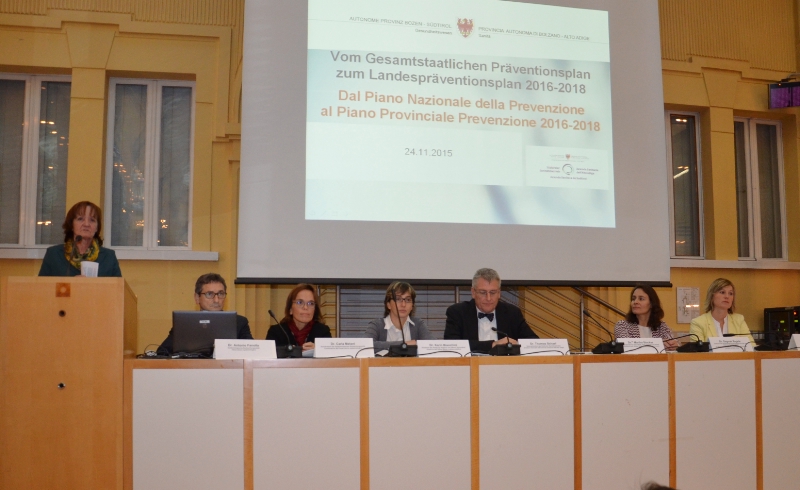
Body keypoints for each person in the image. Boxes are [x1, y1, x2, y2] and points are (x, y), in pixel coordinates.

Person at [444, 268, 538, 353]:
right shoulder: (457, 312)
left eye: (493, 292)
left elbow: (533, 342)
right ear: (473, 292)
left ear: (499, 293)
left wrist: (516, 345)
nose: (488, 298)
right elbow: (452, 345)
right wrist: (492, 345)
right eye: (483, 292)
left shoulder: (512, 313)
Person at [158, 273, 253, 354]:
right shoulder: (185, 323)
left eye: (220, 294)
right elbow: (162, 353)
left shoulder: (239, 322)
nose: (216, 300)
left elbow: (252, 353)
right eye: (209, 294)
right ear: (197, 298)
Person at [38, 201, 121, 277]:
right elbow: (42, 286)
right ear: (71, 225)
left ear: (97, 228)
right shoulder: (54, 255)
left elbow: (119, 287)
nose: (86, 224)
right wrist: (73, 284)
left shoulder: (109, 257)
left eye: (92, 220)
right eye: (80, 219)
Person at [364, 282, 436, 351]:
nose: (403, 304)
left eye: (408, 300)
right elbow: (366, 346)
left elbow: (432, 346)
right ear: (388, 304)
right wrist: (404, 344)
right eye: (398, 299)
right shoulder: (376, 325)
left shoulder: (418, 324)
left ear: (412, 306)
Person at [266, 283, 331, 351]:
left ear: (315, 309)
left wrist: (319, 350)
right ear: (290, 309)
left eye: (311, 303)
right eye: (300, 302)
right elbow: (268, 355)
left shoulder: (323, 331)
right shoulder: (276, 332)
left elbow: (330, 356)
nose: (305, 307)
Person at [689, 278, 754, 344]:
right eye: (722, 292)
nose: (727, 296)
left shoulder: (739, 320)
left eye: (730, 293)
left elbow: (751, 346)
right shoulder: (698, 323)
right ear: (712, 296)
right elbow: (698, 350)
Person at [614, 285, 678, 351]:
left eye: (641, 299)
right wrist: (659, 344)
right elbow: (627, 346)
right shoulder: (622, 325)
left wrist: (673, 345)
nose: (635, 302)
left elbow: (674, 343)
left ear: (651, 304)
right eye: (633, 299)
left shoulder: (661, 326)